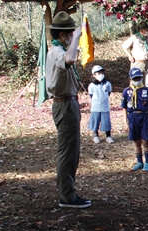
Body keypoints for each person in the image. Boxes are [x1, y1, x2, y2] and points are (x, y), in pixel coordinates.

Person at [46, 11, 91, 209]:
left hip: (69, 103)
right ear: (63, 35)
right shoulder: (56, 51)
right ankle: (67, 196)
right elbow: (70, 59)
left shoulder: (59, 50)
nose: (73, 36)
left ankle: (69, 192)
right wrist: (78, 38)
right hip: (64, 105)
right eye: (70, 34)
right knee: (67, 152)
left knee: (72, 151)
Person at [122, 68, 148, 172]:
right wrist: (125, 122)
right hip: (133, 117)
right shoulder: (126, 91)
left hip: (145, 117)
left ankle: (147, 162)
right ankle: (139, 162)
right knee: (136, 141)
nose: (137, 80)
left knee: (145, 141)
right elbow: (124, 107)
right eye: (135, 78)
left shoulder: (147, 90)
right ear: (130, 79)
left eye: (139, 78)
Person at [87, 65, 114, 144]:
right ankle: (95, 135)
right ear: (94, 75)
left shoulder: (107, 84)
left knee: (106, 121)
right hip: (95, 107)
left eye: (101, 72)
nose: (100, 74)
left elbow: (108, 92)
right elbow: (91, 95)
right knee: (95, 121)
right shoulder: (91, 85)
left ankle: (108, 136)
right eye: (98, 73)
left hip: (105, 106)